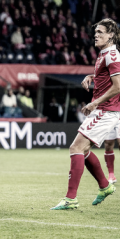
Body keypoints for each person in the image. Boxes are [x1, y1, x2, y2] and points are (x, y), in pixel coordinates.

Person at [51, 18, 120, 210]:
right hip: (102, 109)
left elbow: (118, 87)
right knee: (85, 150)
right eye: (95, 32)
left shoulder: (112, 55)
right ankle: (105, 186)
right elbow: (107, 78)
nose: (96, 35)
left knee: (76, 148)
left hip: (105, 110)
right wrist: (92, 77)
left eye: (101, 32)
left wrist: (95, 102)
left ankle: (71, 198)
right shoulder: (103, 54)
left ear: (111, 35)